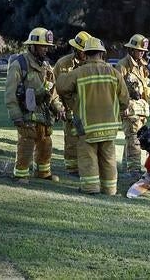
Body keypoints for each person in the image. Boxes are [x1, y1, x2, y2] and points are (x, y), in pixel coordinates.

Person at [56, 37, 129, 195]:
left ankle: (90, 188)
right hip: (110, 127)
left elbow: (61, 86)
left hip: (87, 126)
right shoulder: (115, 73)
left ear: (86, 53)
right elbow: (125, 101)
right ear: (102, 54)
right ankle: (110, 189)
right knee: (108, 159)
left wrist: (73, 103)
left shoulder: (79, 73)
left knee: (88, 157)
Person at [5, 27, 66, 184]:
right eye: (43, 46)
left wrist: (59, 108)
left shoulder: (46, 66)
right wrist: (16, 115)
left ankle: (43, 173)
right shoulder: (20, 64)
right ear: (32, 46)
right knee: (26, 144)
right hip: (26, 115)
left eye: (47, 46)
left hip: (44, 116)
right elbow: (10, 93)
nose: (46, 49)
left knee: (46, 144)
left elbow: (53, 93)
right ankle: (21, 174)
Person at [53, 31, 91, 176]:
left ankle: (87, 167)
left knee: (88, 142)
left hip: (88, 111)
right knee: (71, 141)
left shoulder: (92, 64)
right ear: (75, 49)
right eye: (83, 51)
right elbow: (54, 89)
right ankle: (72, 169)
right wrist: (59, 108)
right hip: (69, 109)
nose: (86, 54)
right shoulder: (63, 64)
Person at [115, 34, 150, 176]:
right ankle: (134, 170)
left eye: (143, 50)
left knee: (131, 139)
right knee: (134, 139)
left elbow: (145, 88)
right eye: (138, 50)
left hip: (140, 109)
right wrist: (126, 100)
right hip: (129, 110)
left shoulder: (142, 66)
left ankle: (126, 167)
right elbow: (116, 88)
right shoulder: (122, 66)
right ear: (131, 50)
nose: (141, 52)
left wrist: (149, 103)